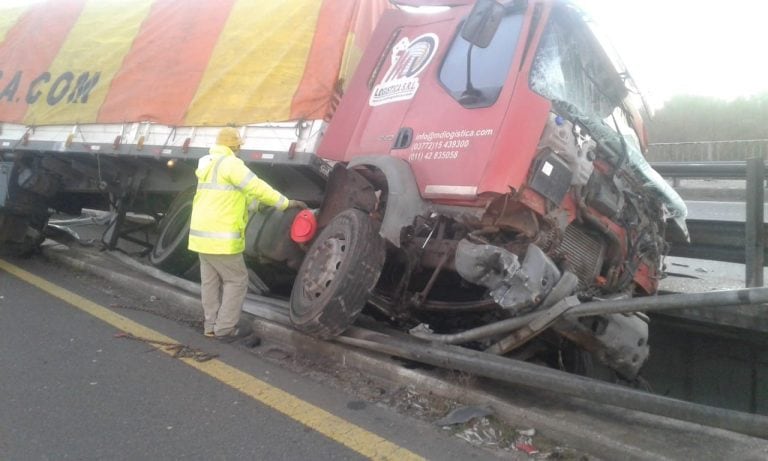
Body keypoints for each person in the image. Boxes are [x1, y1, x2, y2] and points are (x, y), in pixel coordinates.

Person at [188, 127, 306, 342]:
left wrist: (254, 206)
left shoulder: (207, 165)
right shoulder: (231, 164)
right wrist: (285, 203)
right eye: (239, 146)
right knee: (237, 280)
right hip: (220, 238)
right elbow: (256, 187)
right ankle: (225, 329)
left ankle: (210, 325)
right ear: (235, 146)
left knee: (210, 282)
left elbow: (229, 196)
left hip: (201, 236)